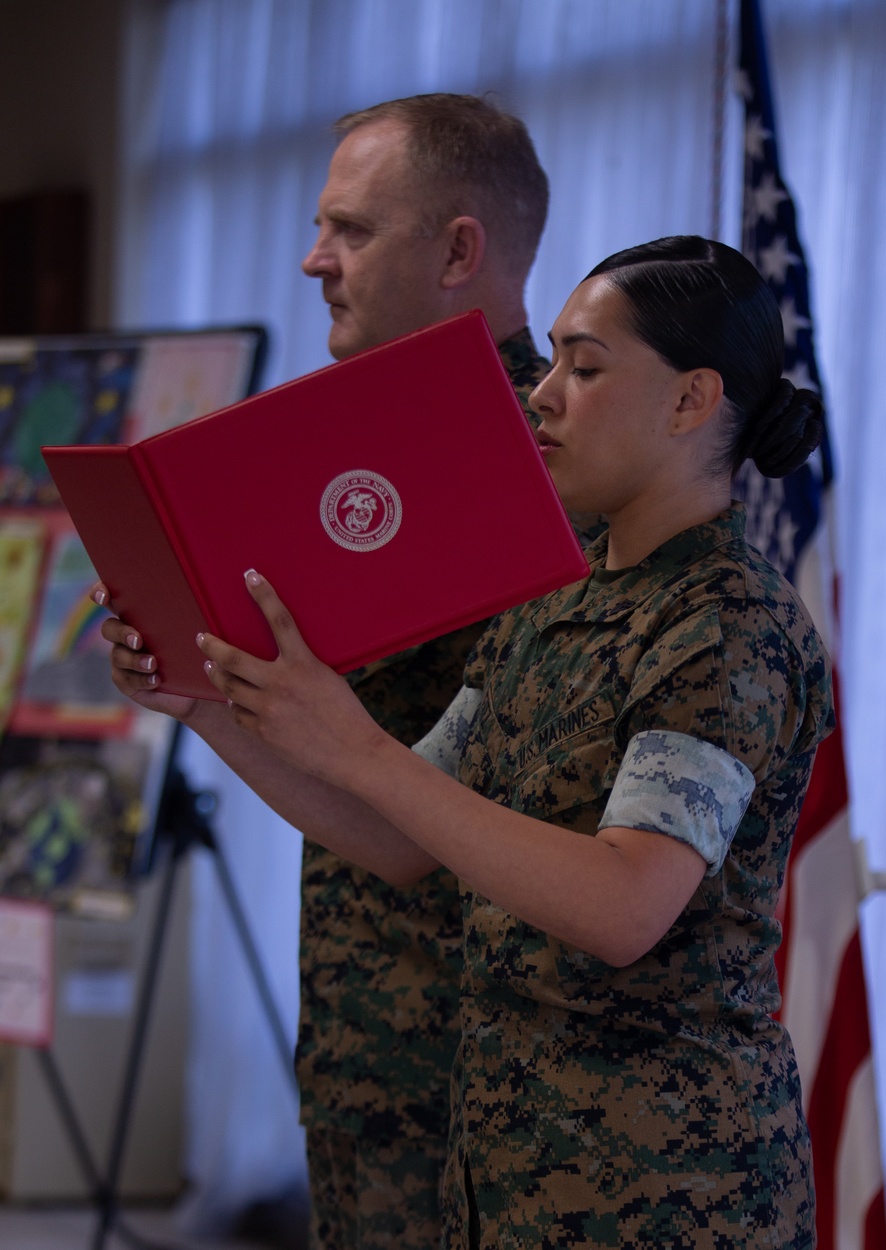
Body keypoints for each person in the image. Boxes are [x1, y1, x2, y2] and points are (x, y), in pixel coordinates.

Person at [100, 235, 834, 1248]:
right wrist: (207, 704)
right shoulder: (551, 596)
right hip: (509, 1167)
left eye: (585, 368)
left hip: (666, 1192)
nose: (543, 396)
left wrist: (361, 747)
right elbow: (403, 834)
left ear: (689, 401)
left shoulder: (725, 624)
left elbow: (625, 903)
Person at [97, 93, 577, 1250]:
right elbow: (352, 763)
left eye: (351, 230)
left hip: (488, 1067)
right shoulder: (358, 442)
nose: (314, 259)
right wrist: (191, 692)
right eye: (322, 227)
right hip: (364, 1030)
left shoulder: (551, 463)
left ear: (460, 249)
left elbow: (451, 806)